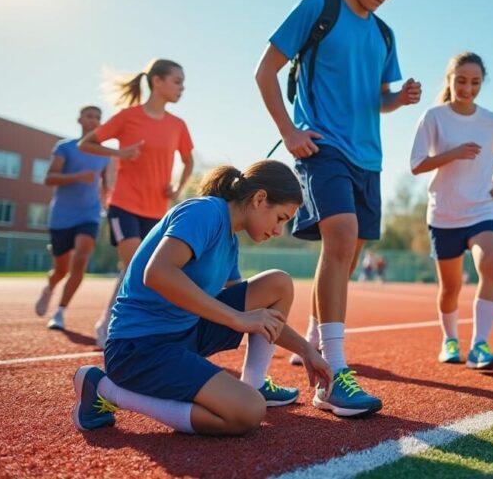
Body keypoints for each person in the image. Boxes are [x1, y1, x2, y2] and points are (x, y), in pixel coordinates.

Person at [255, 0, 420, 416]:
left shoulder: (385, 36)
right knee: (341, 239)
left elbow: (378, 100)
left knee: (344, 258)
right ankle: (333, 377)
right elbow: (265, 71)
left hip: (370, 160)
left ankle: (310, 342)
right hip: (322, 148)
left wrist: (400, 98)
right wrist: (288, 131)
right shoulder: (318, 9)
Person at [71, 161, 331, 435]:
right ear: (259, 198)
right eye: (281, 218)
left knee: (278, 284)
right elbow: (157, 273)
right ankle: (104, 388)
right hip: (138, 347)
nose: (279, 230)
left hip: (185, 335)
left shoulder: (230, 242)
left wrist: (306, 350)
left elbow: (256, 313)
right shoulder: (203, 212)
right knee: (248, 412)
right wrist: (237, 318)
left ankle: (254, 383)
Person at [79, 59, 194, 347]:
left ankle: (137, 327)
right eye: (177, 81)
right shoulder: (127, 117)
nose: (182, 87)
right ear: (157, 81)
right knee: (134, 266)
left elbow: (188, 161)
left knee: (146, 271)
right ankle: (109, 325)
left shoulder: (178, 125)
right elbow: (86, 144)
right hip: (124, 204)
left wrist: (177, 187)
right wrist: (120, 154)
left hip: (157, 210)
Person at [410, 52, 493, 369]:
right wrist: (453, 153)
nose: (468, 88)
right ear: (450, 79)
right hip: (445, 214)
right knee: (451, 288)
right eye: (462, 81)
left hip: (483, 209)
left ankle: (480, 345)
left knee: (490, 265)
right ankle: (449, 339)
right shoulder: (434, 117)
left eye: (475, 82)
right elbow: (416, 165)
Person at [35, 105, 112, 331]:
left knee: (81, 259)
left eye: (98, 117)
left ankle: (60, 312)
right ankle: (49, 288)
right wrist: (78, 176)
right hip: (61, 216)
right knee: (61, 270)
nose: (93, 120)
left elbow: (107, 186)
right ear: (80, 120)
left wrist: (108, 202)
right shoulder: (65, 147)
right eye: (89, 116)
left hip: (89, 215)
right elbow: (49, 179)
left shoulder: (105, 154)